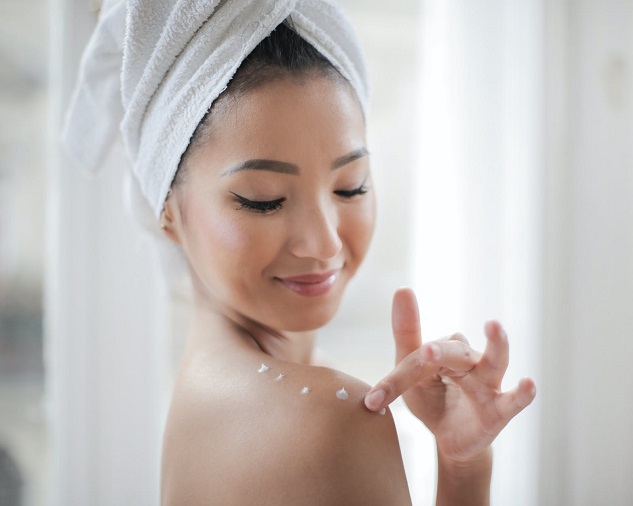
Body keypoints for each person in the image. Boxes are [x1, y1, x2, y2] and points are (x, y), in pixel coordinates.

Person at [63, 2, 536, 504]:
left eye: (351, 187)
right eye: (263, 199)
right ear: (168, 211)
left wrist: (463, 463)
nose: (326, 243)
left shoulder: (207, 391)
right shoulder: (323, 422)